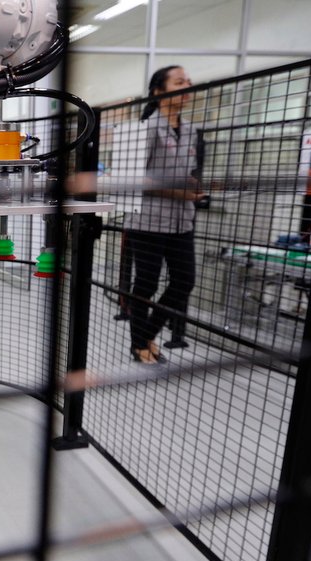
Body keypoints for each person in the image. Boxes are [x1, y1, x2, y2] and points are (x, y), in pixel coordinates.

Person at [127, 65, 207, 364]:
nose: (187, 86)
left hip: (182, 220)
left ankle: (145, 335)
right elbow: (133, 178)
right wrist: (177, 192)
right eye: (179, 82)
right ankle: (139, 345)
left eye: (188, 81)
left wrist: (194, 186)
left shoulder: (192, 131)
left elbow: (188, 172)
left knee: (184, 281)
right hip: (148, 220)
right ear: (158, 91)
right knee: (146, 285)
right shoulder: (145, 129)